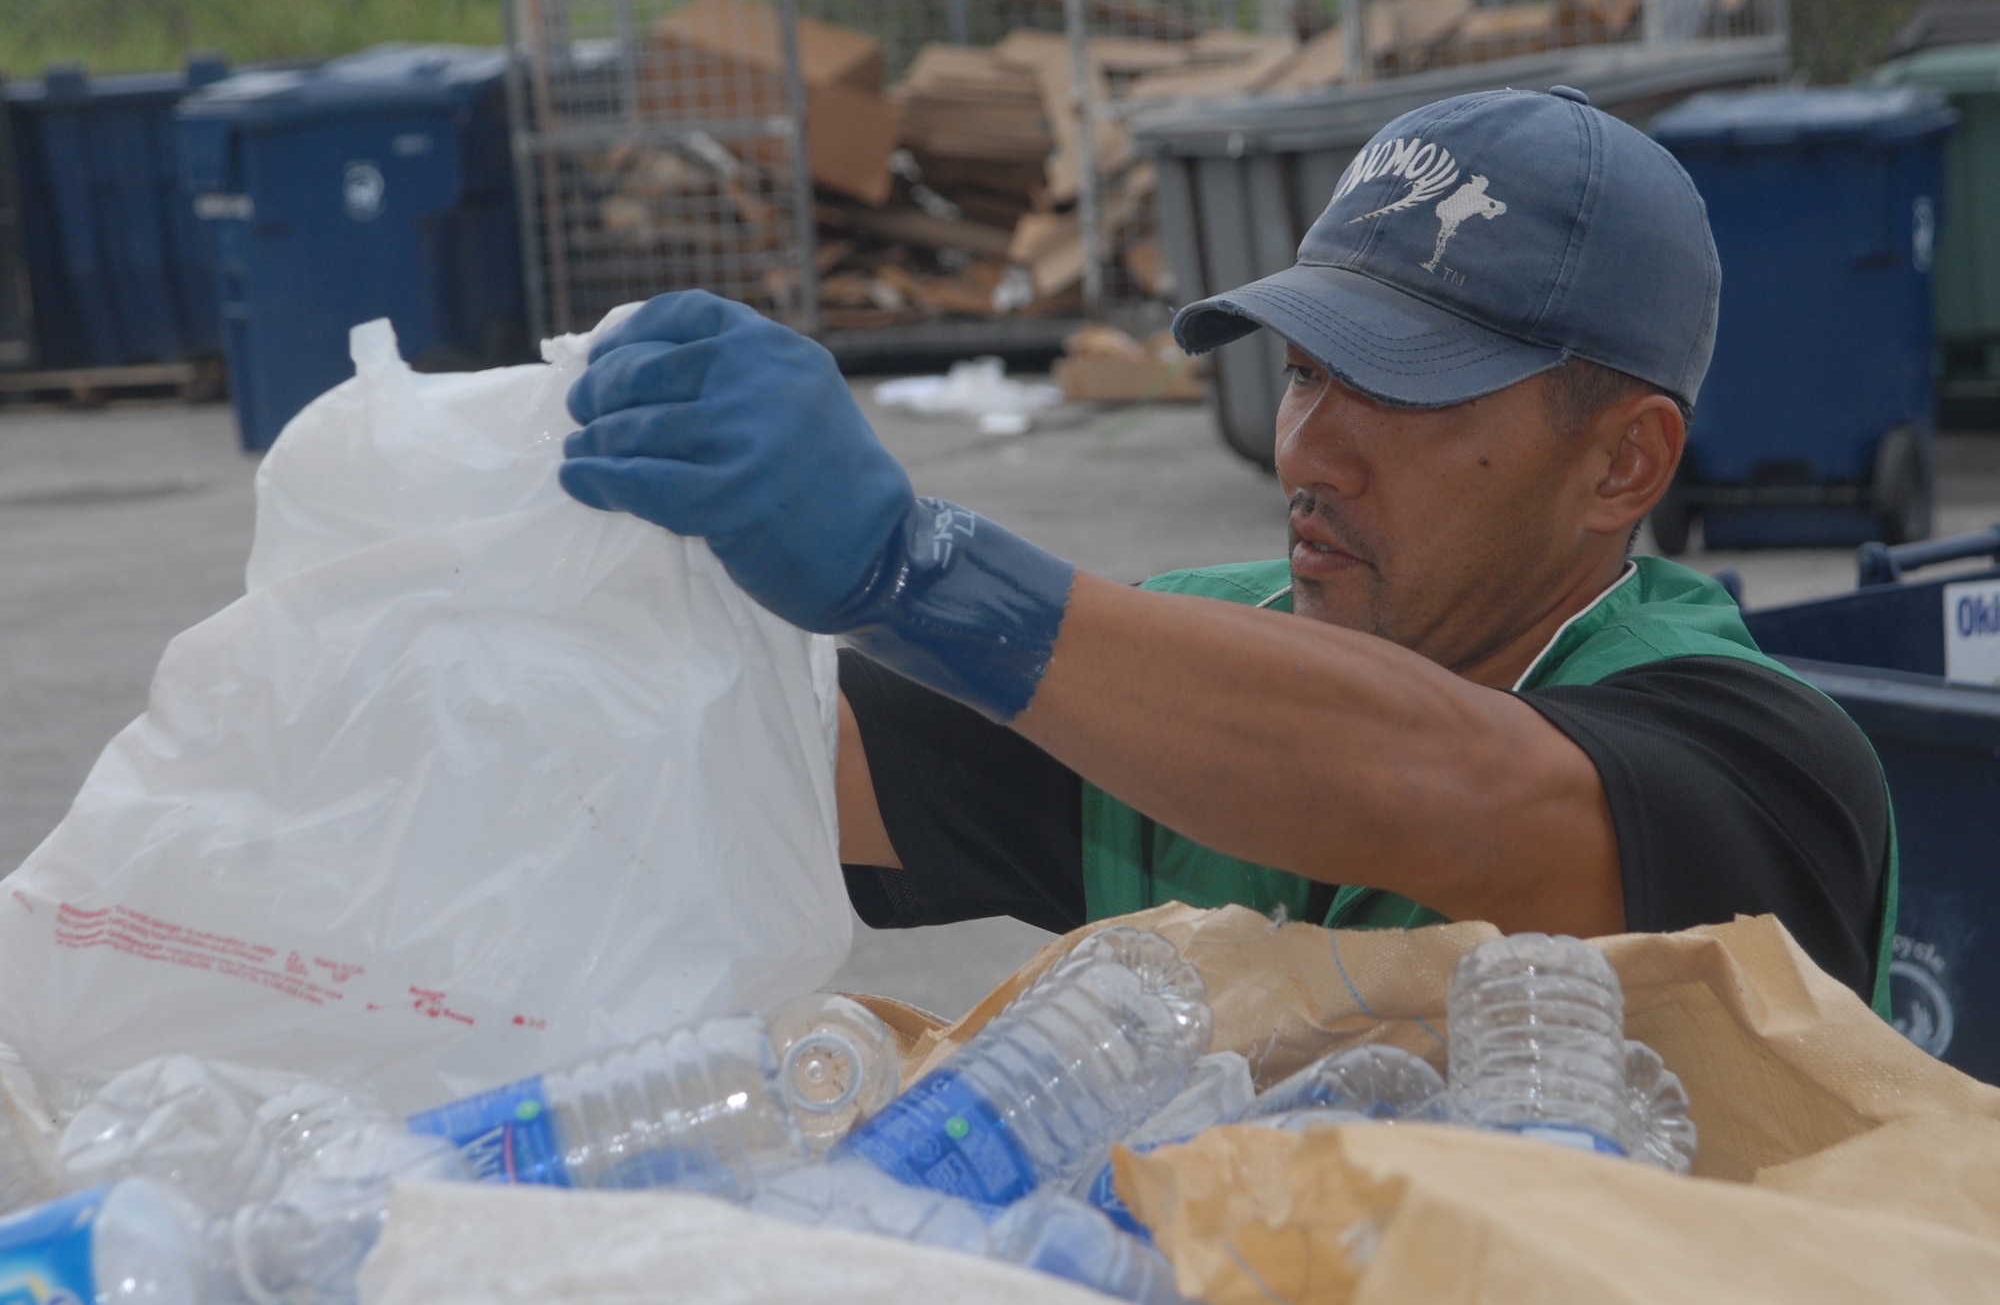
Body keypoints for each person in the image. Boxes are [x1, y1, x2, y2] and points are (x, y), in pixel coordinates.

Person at [558, 87, 1896, 1013]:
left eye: (1404, 392)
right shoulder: (1193, 672)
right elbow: (760, 764)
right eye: (1305, 373)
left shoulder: (1762, 762)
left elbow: (1452, 791)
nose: (1307, 452)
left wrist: (921, 576)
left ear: (1624, 464)